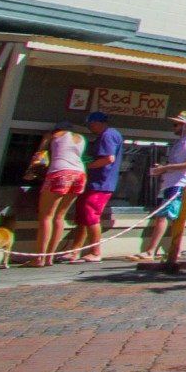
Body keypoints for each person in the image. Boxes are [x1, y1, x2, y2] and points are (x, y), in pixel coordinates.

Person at [138, 116, 186, 261]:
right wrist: (163, 169)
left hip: (180, 184)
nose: (174, 128)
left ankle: (151, 251)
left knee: (163, 216)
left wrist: (166, 168)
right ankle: (175, 250)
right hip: (171, 182)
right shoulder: (180, 142)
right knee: (175, 219)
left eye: (176, 125)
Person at [29, 122, 87, 267]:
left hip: (59, 172)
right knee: (60, 216)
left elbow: (40, 154)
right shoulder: (80, 138)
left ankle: (39, 258)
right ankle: (50, 258)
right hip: (79, 174)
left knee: (46, 216)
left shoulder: (54, 135)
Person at [67, 112, 121, 264]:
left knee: (91, 215)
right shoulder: (107, 135)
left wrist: (86, 165)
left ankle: (95, 252)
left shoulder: (108, 135)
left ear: (98, 123)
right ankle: (74, 251)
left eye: (90, 125)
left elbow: (109, 158)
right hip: (93, 183)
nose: (90, 128)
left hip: (101, 183)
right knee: (82, 216)